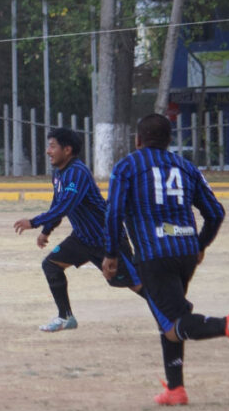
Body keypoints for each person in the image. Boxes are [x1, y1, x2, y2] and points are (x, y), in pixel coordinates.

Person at [103, 114, 229, 406]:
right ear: (169, 140)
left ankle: (227, 324)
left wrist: (111, 252)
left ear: (138, 140)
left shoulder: (127, 166)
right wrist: (201, 244)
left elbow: (114, 213)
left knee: (173, 322)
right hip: (185, 252)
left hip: (153, 254)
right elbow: (216, 212)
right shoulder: (186, 167)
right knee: (168, 318)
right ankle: (175, 389)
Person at [14, 128, 142, 332]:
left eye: (52, 146)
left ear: (67, 150)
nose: (48, 151)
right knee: (51, 265)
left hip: (107, 239)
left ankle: (172, 312)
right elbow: (57, 204)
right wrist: (46, 230)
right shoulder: (58, 173)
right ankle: (65, 317)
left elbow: (66, 206)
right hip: (82, 239)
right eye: (48, 146)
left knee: (135, 283)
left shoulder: (78, 172)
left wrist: (34, 222)